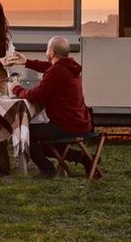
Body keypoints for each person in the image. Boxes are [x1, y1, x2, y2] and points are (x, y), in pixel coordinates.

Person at [9, 36, 93, 177]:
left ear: (52, 53)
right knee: (45, 143)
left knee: (24, 131)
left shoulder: (57, 72)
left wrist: (16, 88)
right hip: (80, 123)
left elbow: (35, 96)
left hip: (67, 126)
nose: (46, 51)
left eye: (47, 48)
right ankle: (84, 158)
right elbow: (49, 67)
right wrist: (27, 62)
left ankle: (47, 169)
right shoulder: (69, 66)